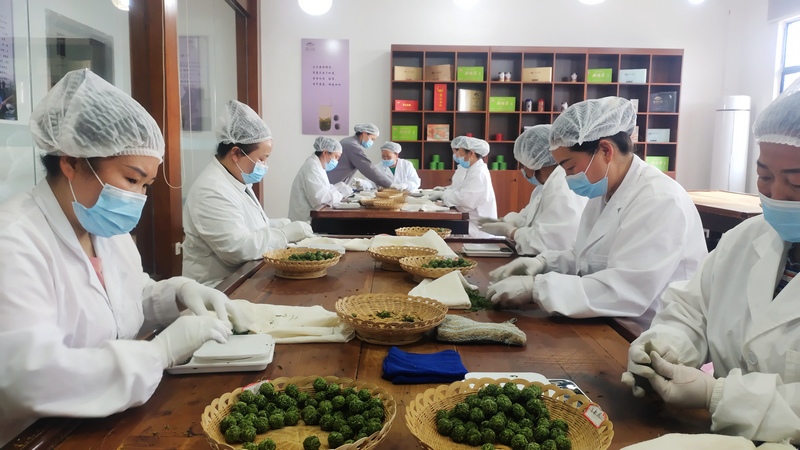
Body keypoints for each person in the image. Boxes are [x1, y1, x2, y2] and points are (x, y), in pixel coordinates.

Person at [0, 69, 242, 445]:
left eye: (146, 185)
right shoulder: (14, 241)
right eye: (131, 180)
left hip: (113, 423)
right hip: (40, 436)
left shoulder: (100, 227)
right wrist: (158, 353)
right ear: (72, 162)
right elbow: (30, 376)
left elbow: (122, 298)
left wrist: (176, 292)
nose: (138, 198)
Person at [622, 80, 800, 445]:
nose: (776, 195)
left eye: (796, 184)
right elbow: (692, 310)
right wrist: (667, 348)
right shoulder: (746, 239)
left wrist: (716, 395)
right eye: (764, 176)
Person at [487, 97, 707, 328]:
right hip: (609, 320)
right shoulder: (605, 191)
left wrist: (536, 288)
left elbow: (626, 290)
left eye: (570, 167)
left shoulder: (658, 199)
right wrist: (544, 262)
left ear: (605, 150)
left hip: (650, 332)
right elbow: (583, 258)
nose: (568, 177)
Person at [182, 100, 313, 287]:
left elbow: (247, 225)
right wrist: (283, 234)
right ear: (236, 153)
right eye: (261, 159)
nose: (264, 166)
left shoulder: (235, 179)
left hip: (245, 275)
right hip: (219, 287)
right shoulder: (211, 191)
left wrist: (277, 225)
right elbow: (238, 249)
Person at [479, 125, 587, 255]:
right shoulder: (544, 186)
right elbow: (527, 217)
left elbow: (547, 242)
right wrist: (507, 221)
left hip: (554, 267)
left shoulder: (561, 185)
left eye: (523, 164)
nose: (523, 170)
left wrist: (511, 232)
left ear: (535, 161)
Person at [428, 136, 497, 235]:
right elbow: (460, 189)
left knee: (439, 229)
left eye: (460, 153)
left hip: (477, 227)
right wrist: (444, 191)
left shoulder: (479, 173)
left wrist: (443, 195)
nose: (457, 156)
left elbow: (465, 201)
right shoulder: (472, 169)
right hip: (469, 220)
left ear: (471, 153)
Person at [289, 136, 352, 222]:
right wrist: (340, 194)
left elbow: (323, 188)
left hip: (310, 219)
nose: (337, 161)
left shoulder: (318, 166)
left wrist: (337, 187)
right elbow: (320, 199)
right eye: (336, 157)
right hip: (305, 221)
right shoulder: (312, 167)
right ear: (325, 153)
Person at [327, 123, 393, 188]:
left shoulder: (349, 141)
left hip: (333, 183)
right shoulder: (352, 146)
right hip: (332, 183)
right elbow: (367, 168)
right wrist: (390, 184)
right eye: (372, 139)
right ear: (364, 133)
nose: (372, 142)